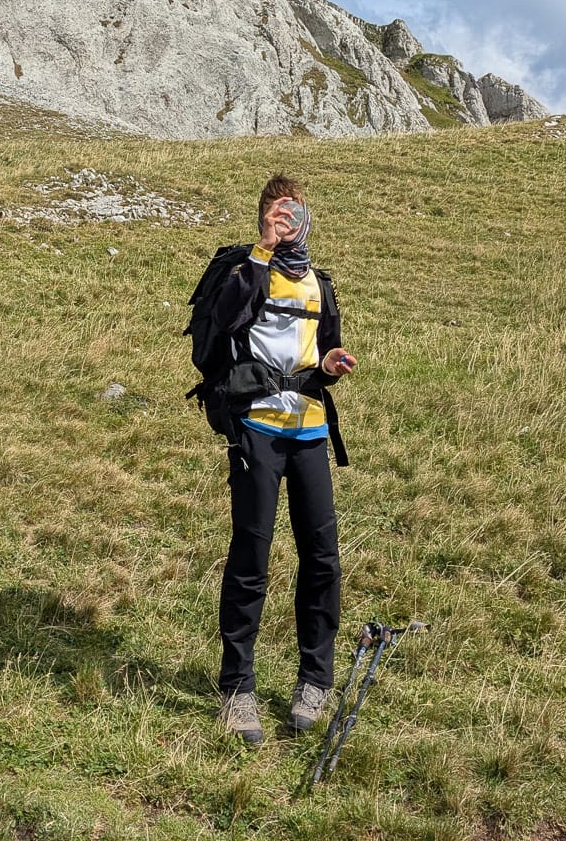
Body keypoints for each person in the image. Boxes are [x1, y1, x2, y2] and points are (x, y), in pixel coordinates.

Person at [211, 174, 357, 744]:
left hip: (309, 431)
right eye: (275, 213)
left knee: (322, 558)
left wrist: (330, 365)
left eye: (292, 213)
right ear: (263, 219)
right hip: (257, 430)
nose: (284, 220)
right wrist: (261, 250)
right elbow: (225, 318)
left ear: (306, 217)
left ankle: (314, 682)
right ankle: (237, 689)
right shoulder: (247, 271)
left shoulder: (321, 283)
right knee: (251, 556)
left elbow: (322, 353)